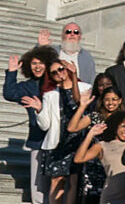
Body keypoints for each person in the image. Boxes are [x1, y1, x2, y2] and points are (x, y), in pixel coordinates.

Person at [6, 46, 57, 204]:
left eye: (41, 63)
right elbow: (10, 93)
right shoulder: (28, 86)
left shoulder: (57, 83)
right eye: (34, 63)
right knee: (38, 186)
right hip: (37, 140)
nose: (37, 67)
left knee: (57, 183)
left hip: (57, 139)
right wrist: (12, 72)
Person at [34, 60, 87, 203]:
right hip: (58, 141)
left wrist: (74, 76)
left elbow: (82, 106)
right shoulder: (49, 95)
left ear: (67, 69)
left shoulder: (85, 88)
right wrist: (39, 110)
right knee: (57, 180)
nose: (58, 73)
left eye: (61, 69)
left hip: (78, 141)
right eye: (54, 72)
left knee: (74, 180)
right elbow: (45, 125)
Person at [74, 113, 125, 204]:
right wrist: (91, 134)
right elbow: (78, 159)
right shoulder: (103, 145)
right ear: (116, 126)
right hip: (113, 197)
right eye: (124, 126)